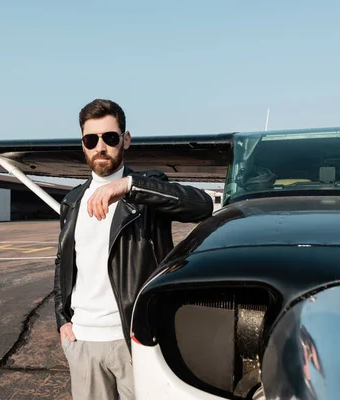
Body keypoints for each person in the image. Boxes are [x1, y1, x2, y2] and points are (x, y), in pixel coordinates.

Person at [53, 98, 214, 399]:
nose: (100, 146)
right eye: (91, 139)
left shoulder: (147, 189)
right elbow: (63, 263)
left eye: (110, 137)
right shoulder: (72, 202)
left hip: (135, 339)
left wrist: (128, 187)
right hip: (83, 342)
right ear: (83, 144)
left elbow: (201, 205)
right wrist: (62, 320)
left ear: (125, 139)